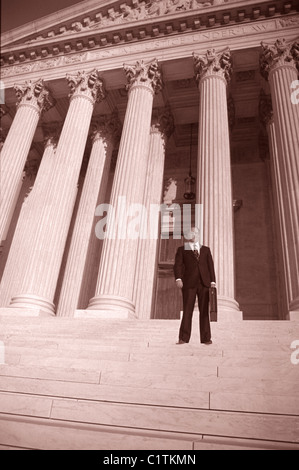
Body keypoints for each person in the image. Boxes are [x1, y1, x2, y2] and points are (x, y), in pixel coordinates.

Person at [174, 227, 216, 345]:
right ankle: (183, 338)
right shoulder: (182, 249)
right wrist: (178, 278)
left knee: (204, 311)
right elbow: (177, 265)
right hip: (189, 283)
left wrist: (213, 282)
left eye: (194, 232)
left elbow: (210, 266)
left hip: (204, 283)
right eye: (190, 232)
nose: (192, 234)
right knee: (187, 310)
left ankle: (206, 338)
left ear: (198, 234)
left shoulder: (206, 250)